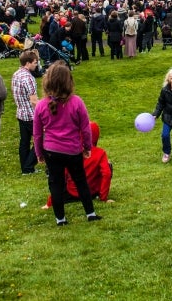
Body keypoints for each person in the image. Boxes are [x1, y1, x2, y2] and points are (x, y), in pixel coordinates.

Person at [33, 61, 102, 225]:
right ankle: (90, 213)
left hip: (51, 151)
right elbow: (85, 128)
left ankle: (60, 219)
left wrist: (39, 153)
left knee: (56, 183)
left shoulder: (41, 106)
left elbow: (37, 134)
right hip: (72, 150)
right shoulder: (77, 102)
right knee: (80, 181)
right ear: (69, 82)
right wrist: (87, 147)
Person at [43, 122, 113, 209]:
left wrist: (49, 203)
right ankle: (99, 194)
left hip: (72, 192)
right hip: (91, 193)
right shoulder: (100, 153)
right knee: (108, 166)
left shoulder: (72, 151)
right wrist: (104, 198)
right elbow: (107, 174)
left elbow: (60, 177)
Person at [11, 50, 40, 175]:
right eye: (35, 62)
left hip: (21, 113)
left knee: (24, 141)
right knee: (41, 140)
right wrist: (42, 111)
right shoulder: (29, 78)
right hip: (31, 115)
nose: (36, 65)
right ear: (28, 63)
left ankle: (25, 166)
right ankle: (28, 166)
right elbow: (34, 101)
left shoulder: (16, 74)